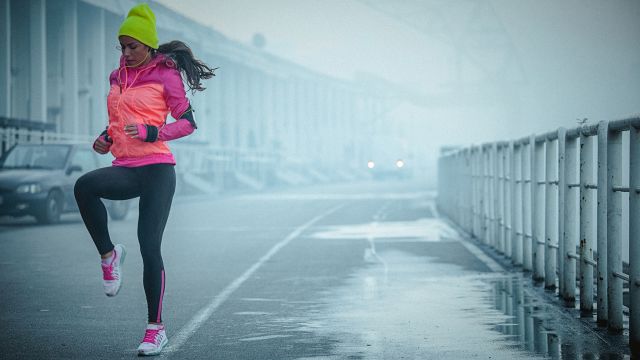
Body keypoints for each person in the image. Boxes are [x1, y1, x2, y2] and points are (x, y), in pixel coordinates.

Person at [74, 3, 215, 356]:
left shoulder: (165, 74)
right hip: (125, 166)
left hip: (157, 170)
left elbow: (187, 123)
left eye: (132, 46)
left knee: (149, 246)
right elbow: (117, 122)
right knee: (84, 186)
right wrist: (103, 139)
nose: (126, 52)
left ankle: (156, 329)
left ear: (148, 45)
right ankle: (109, 255)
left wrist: (155, 132)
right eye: (121, 46)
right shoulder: (116, 76)